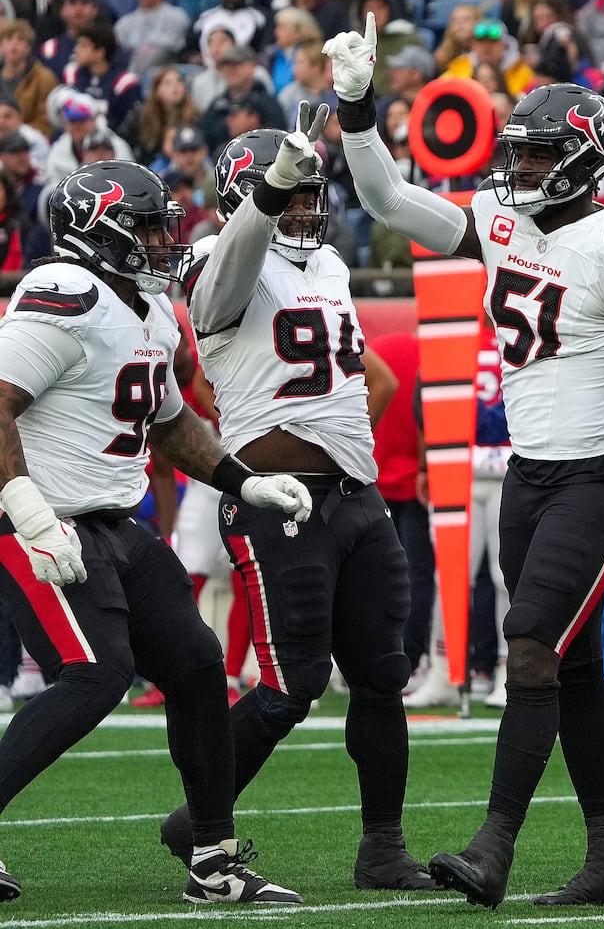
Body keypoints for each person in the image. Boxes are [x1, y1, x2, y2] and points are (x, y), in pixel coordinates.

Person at [325, 16, 604, 908]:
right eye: (517, 155)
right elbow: (385, 199)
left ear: (585, 156)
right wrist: (357, 106)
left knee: (525, 643)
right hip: (528, 476)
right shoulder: (497, 219)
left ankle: (493, 845)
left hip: (597, 476)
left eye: (537, 156)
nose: (519, 171)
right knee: (568, 667)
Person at [0, 160, 311, 904]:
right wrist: (25, 504)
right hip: (40, 521)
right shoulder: (63, 294)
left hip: (115, 522)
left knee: (199, 666)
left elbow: (171, 424)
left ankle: (213, 855)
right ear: (96, 232)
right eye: (143, 227)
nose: (160, 240)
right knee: (96, 673)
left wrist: (244, 479)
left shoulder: (148, 307)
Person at [154, 104, 431, 892]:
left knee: (382, 672)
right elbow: (210, 305)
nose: (307, 205)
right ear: (250, 194)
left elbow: (364, 378)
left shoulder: (332, 268)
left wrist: (343, 444)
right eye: (291, 192)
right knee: (291, 681)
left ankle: (383, 845)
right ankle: (201, 821)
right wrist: (267, 194)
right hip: (278, 499)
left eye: (312, 192)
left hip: (356, 497)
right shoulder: (216, 254)